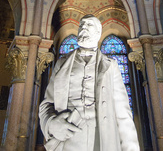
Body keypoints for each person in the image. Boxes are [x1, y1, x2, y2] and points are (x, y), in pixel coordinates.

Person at [39, 15, 140, 151]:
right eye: (82, 25)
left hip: (102, 140)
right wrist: (51, 124)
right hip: (68, 141)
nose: (84, 27)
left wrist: (131, 148)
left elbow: (123, 113)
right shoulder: (62, 63)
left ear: (98, 32)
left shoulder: (111, 65)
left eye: (89, 25)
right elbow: (47, 104)